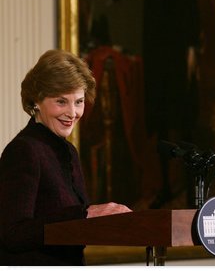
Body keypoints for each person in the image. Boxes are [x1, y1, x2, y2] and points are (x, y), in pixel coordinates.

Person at [88, 0, 201, 208]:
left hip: (179, 55)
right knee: (161, 119)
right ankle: (165, 185)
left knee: (184, 119)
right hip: (157, 54)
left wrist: (192, 49)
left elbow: (192, 9)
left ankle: (193, 189)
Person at [0, 49, 131, 266]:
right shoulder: (24, 150)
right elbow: (12, 233)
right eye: (61, 101)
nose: (72, 112)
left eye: (78, 102)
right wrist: (85, 214)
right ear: (36, 101)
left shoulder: (70, 152)